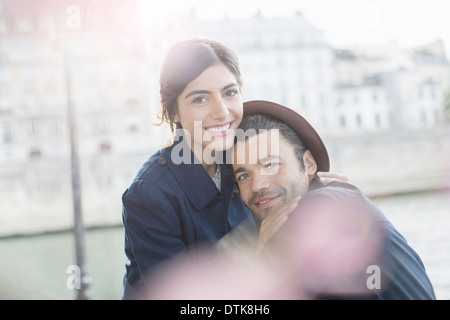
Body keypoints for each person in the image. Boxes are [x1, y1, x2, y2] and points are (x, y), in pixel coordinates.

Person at [121, 39, 343, 299]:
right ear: (174, 113)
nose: (222, 111)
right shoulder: (149, 194)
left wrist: (311, 186)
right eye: (200, 99)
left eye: (230, 92)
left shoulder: (240, 158)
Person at [231, 100, 436, 299]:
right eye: (244, 176)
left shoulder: (316, 209)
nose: (257, 185)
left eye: (271, 165)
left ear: (309, 164)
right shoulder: (327, 200)